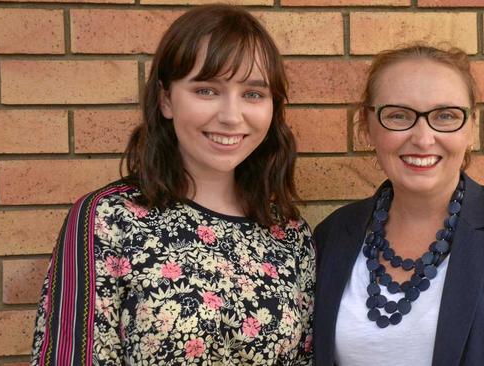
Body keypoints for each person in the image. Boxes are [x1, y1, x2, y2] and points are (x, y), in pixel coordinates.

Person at [31, 5, 314, 365]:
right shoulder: (107, 219)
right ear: (166, 99)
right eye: (207, 90)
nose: (231, 116)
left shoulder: (289, 235)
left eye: (253, 94)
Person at [313, 44, 484, 366]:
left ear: (471, 126)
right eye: (398, 115)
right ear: (367, 126)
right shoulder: (334, 235)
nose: (423, 137)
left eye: (445, 116)